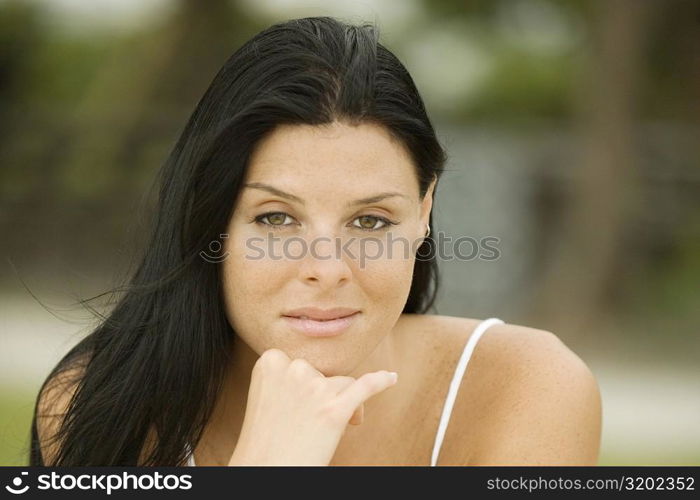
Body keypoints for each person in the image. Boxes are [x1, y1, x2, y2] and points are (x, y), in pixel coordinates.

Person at [30, 16, 601, 466]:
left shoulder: (528, 389)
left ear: (424, 212)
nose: (327, 269)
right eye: (276, 219)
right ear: (213, 220)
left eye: (371, 222)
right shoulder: (104, 406)